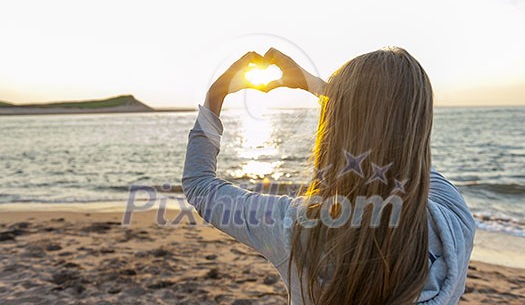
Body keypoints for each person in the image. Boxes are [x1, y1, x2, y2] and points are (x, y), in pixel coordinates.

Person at [182, 47, 476, 304]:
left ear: (334, 127)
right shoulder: (453, 224)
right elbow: (407, 158)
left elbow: (200, 185)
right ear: (421, 124)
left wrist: (216, 94)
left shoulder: (294, 228)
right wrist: (324, 90)